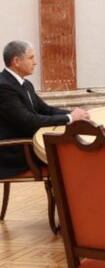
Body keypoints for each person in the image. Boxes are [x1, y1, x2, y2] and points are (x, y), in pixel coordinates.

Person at [0, 40, 90, 177]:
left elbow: (45, 110)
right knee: (70, 153)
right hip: (16, 151)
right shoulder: (3, 87)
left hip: (31, 142)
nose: (35, 62)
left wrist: (74, 114)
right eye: (31, 58)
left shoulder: (26, 84)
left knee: (72, 146)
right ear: (17, 61)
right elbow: (29, 121)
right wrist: (70, 118)